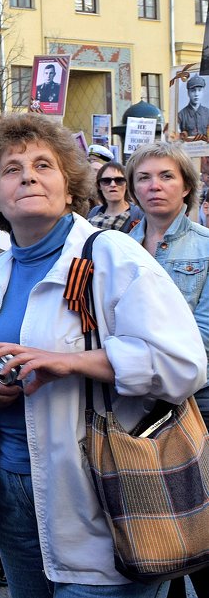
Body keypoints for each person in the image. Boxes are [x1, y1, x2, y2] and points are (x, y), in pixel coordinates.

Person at [0, 113, 206, 598]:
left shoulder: (112, 254)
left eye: (43, 165)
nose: (27, 175)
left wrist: (66, 362)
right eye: (11, 169)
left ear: (70, 189)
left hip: (103, 495)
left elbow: (183, 365)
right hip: (11, 497)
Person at [125, 142, 209, 598]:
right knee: (157, 533)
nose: (154, 186)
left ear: (186, 186)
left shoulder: (205, 246)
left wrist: (139, 365)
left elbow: (204, 332)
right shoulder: (119, 247)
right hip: (134, 399)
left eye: (166, 176)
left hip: (194, 399)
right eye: (144, 178)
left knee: (199, 524)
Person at [86, 160, 144, 232]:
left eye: (119, 180)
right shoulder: (94, 212)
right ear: (99, 186)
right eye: (106, 181)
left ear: (126, 185)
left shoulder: (139, 214)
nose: (113, 185)